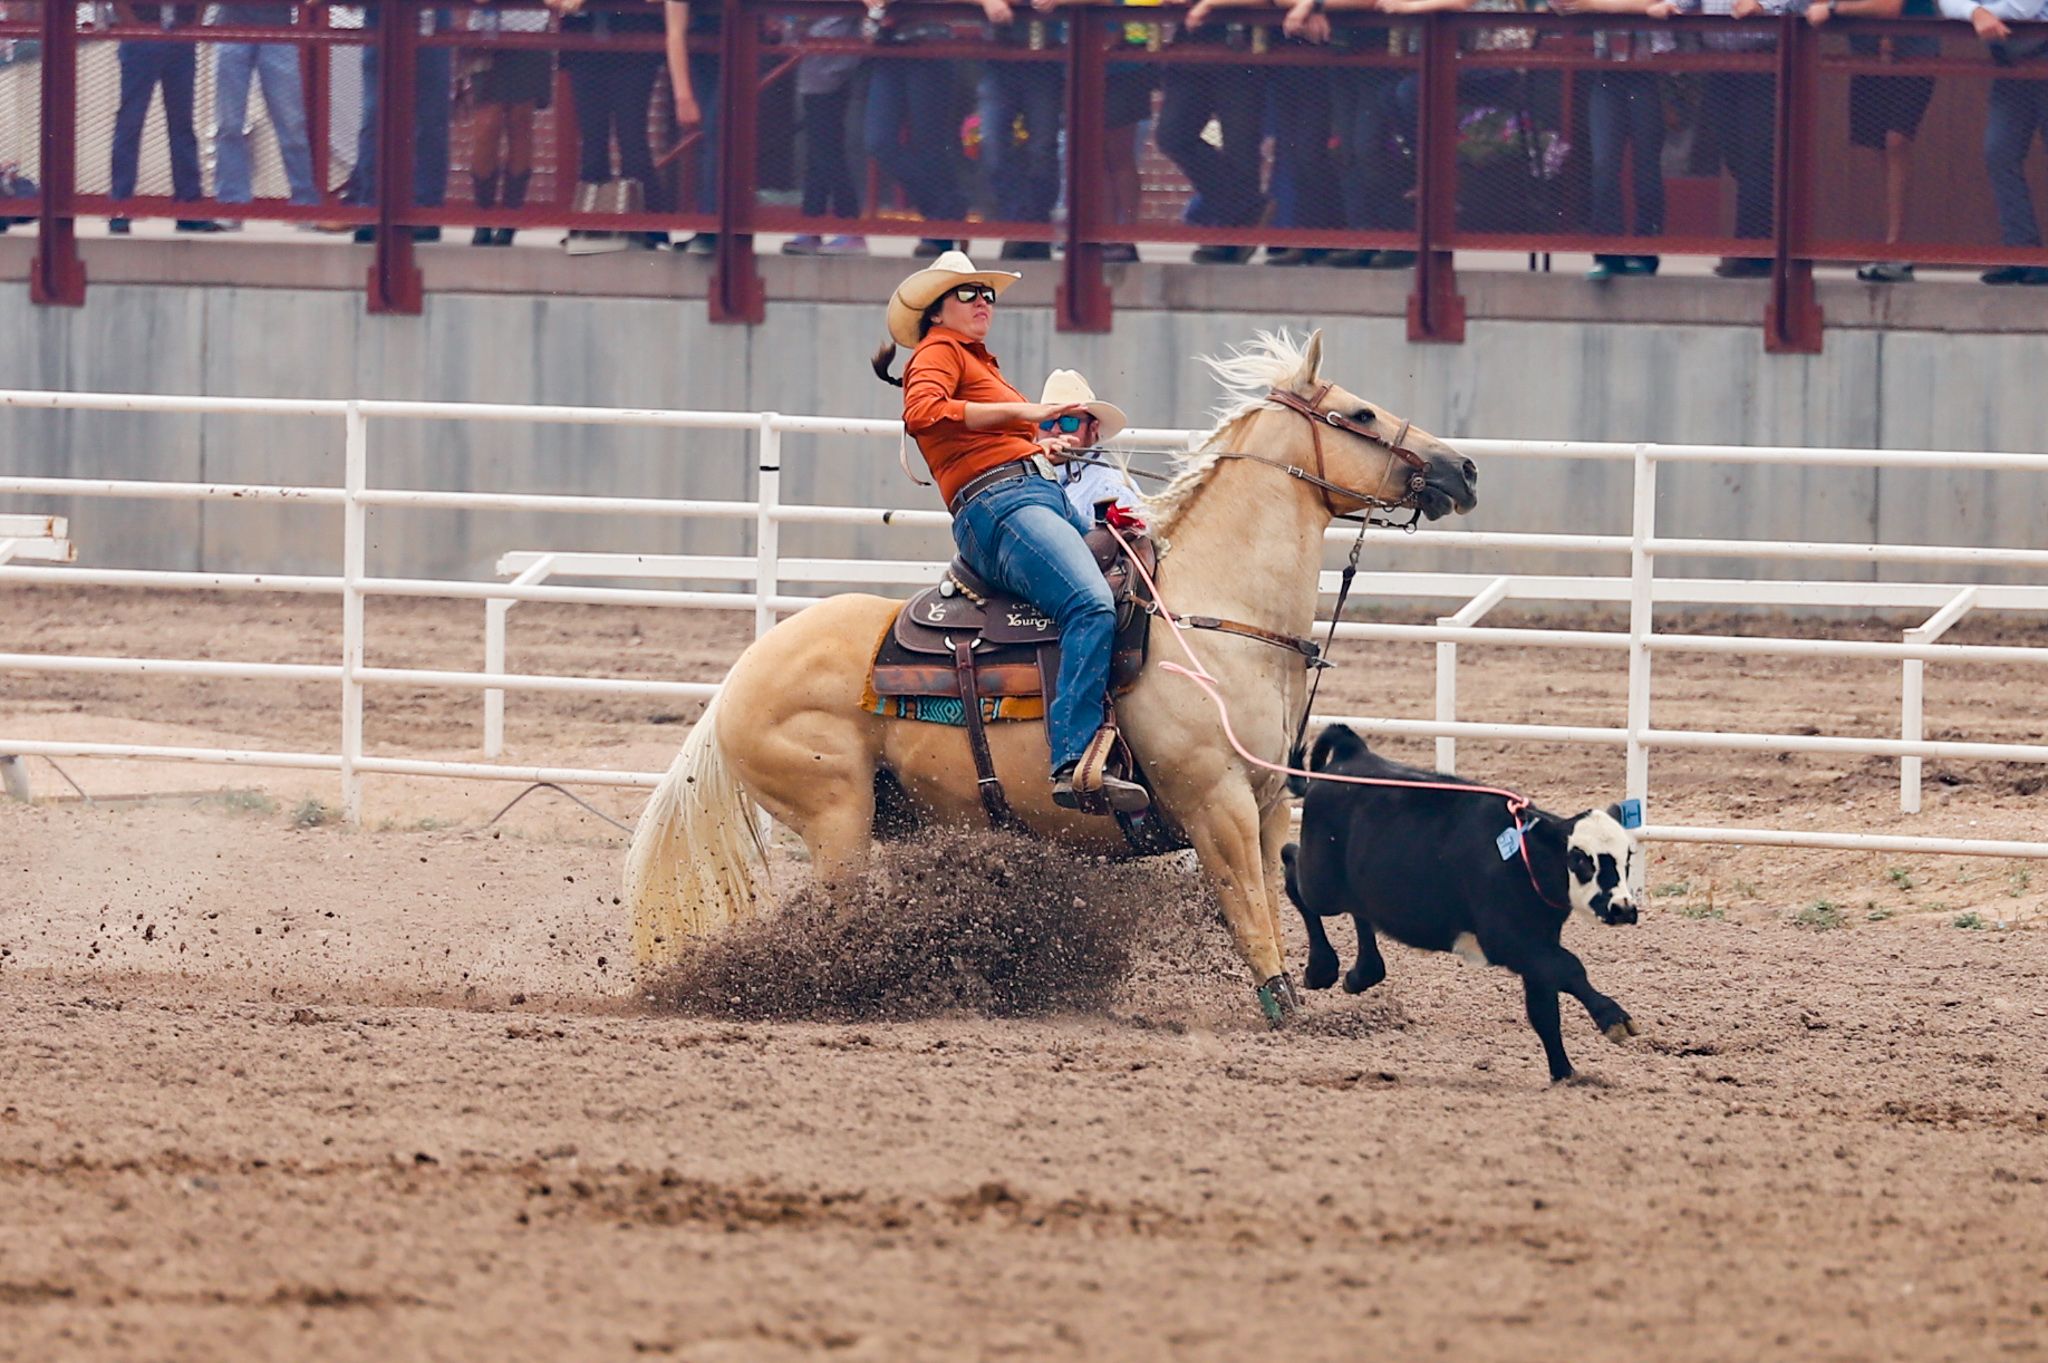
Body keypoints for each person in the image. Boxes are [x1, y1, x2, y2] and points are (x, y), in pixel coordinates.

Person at [871, 252, 1149, 812]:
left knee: (1138, 567)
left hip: (1027, 492)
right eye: (969, 293)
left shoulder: (976, 360)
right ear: (936, 310)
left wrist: (1033, 444)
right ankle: (1073, 763)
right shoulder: (939, 351)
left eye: (988, 294)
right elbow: (924, 412)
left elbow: (977, 435)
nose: (983, 303)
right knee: (1091, 604)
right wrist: (1022, 419)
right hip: (1001, 504)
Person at [1810, 0, 1936, 282]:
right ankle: (1877, 245)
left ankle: (1896, 248)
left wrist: (1834, 9)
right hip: (1866, 57)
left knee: (1896, 141)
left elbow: (1889, 6)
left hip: (1913, 54)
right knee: (1871, 148)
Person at [1552, 0, 1676, 278]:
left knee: (1647, 166)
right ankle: (1607, 254)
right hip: (1607, 73)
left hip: (1650, 74)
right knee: (1604, 163)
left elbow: (1662, 3)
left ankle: (1645, 252)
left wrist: (1599, 5)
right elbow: (1561, 4)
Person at [1939, 0, 2048, 283]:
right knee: (1999, 152)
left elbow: (2022, 8)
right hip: (2012, 62)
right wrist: (1975, 12)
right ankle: (2022, 256)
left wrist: (1979, 13)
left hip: (2042, 50)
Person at [1159, 0, 1270, 263]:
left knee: (1240, 146)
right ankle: (1247, 206)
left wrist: (1209, 3)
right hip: (1189, 45)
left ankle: (1231, 236)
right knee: (1172, 135)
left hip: (1239, 46)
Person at [862, 0, 973, 256]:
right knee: (879, 142)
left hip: (931, 43)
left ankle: (938, 234)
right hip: (887, 45)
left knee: (929, 143)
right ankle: (949, 209)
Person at [556, 0, 667, 252]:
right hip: (584, 46)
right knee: (592, 140)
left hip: (634, 45)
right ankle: (589, 225)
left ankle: (648, 226)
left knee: (632, 137)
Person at [106, 1, 225, 234]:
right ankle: (121, 206)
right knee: (130, 122)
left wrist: (193, 26)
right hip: (141, 37)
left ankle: (188, 207)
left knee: (182, 123)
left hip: (180, 37)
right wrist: (136, 28)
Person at [210, 1, 321, 224]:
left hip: (277, 31)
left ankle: (305, 202)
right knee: (229, 123)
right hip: (232, 29)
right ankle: (232, 203)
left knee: (292, 123)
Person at [460, 0, 554, 246]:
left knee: (520, 120)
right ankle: (483, 215)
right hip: (485, 32)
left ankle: (511, 215)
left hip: (530, 29)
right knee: (487, 122)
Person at [780, 9, 867, 254]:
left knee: (827, 148)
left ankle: (849, 227)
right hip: (814, 66)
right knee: (817, 148)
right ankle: (812, 222)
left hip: (837, 64)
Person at [1041, 370, 1141, 523]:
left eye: (1068, 422)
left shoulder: (1112, 488)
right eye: (1046, 421)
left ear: (1093, 428)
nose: (1055, 430)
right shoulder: (1018, 475)